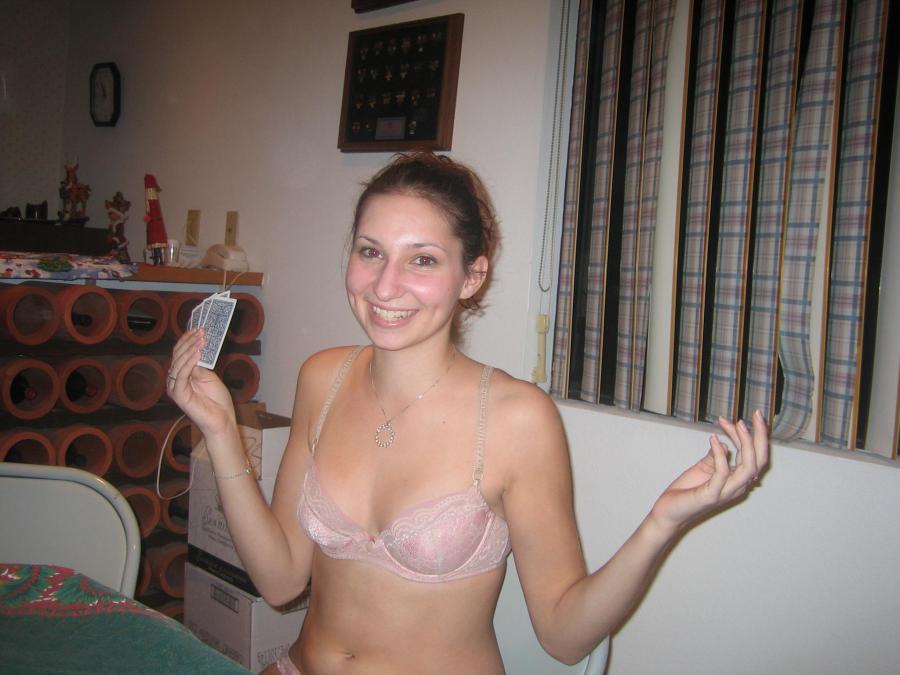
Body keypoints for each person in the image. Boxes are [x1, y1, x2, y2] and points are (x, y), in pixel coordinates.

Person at [168, 152, 768, 675]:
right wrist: (221, 433)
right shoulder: (322, 378)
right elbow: (279, 581)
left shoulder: (516, 419)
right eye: (371, 252)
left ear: (471, 276)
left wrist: (662, 522)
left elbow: (564, 638)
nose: (385, 286)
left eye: (423, 260)